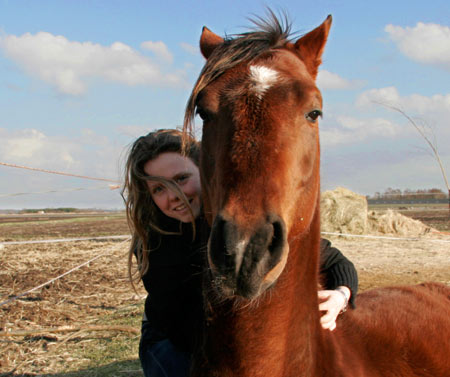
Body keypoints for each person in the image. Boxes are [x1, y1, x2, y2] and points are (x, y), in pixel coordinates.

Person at [122, 129, 358, 377]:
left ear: (207, 171)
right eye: (159, 189)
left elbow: (334, 261)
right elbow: (181, 326)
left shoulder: (241, 218)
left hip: (237, 331)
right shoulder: (156, 241)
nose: (174, 196)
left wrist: (341, 297)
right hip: (174, 338)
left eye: (181, 178)